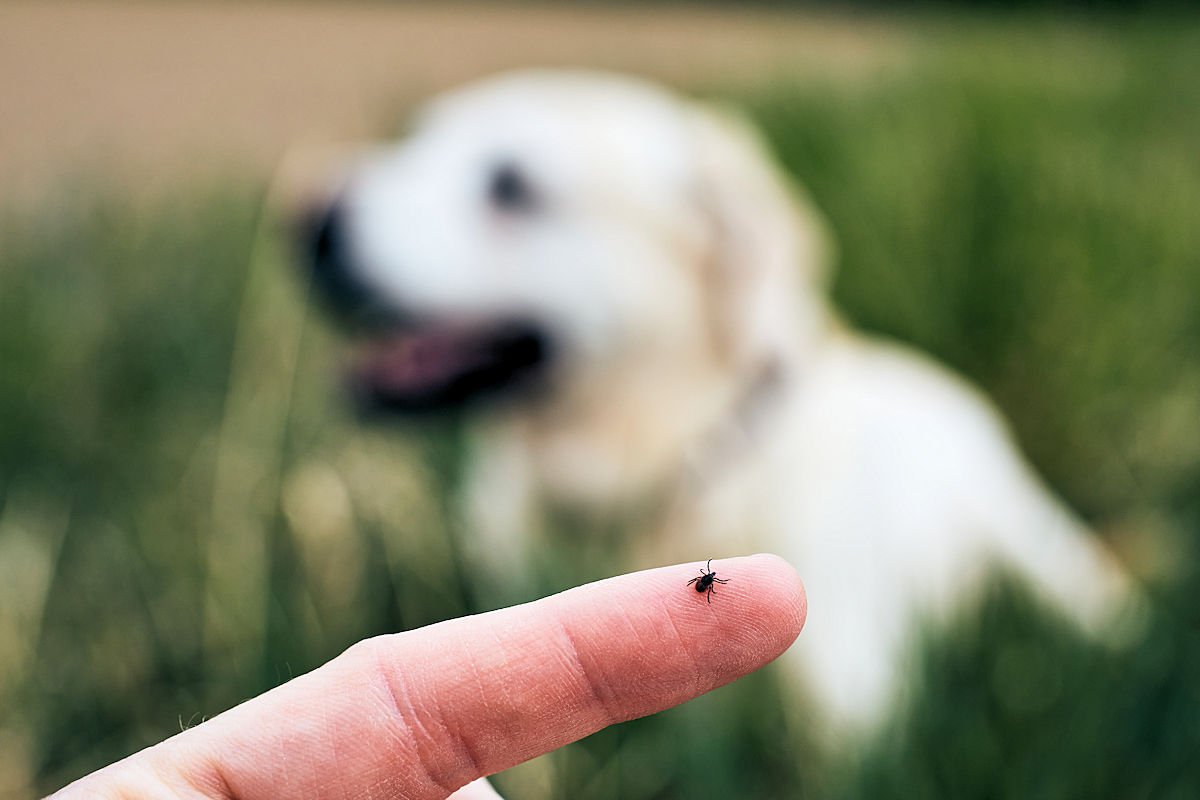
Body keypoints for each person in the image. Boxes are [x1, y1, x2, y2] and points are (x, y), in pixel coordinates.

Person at [51, 555, 805, 799]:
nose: (706, 581)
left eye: (705, 580)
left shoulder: (705, 586)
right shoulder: (706, 586)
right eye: (707, 580)